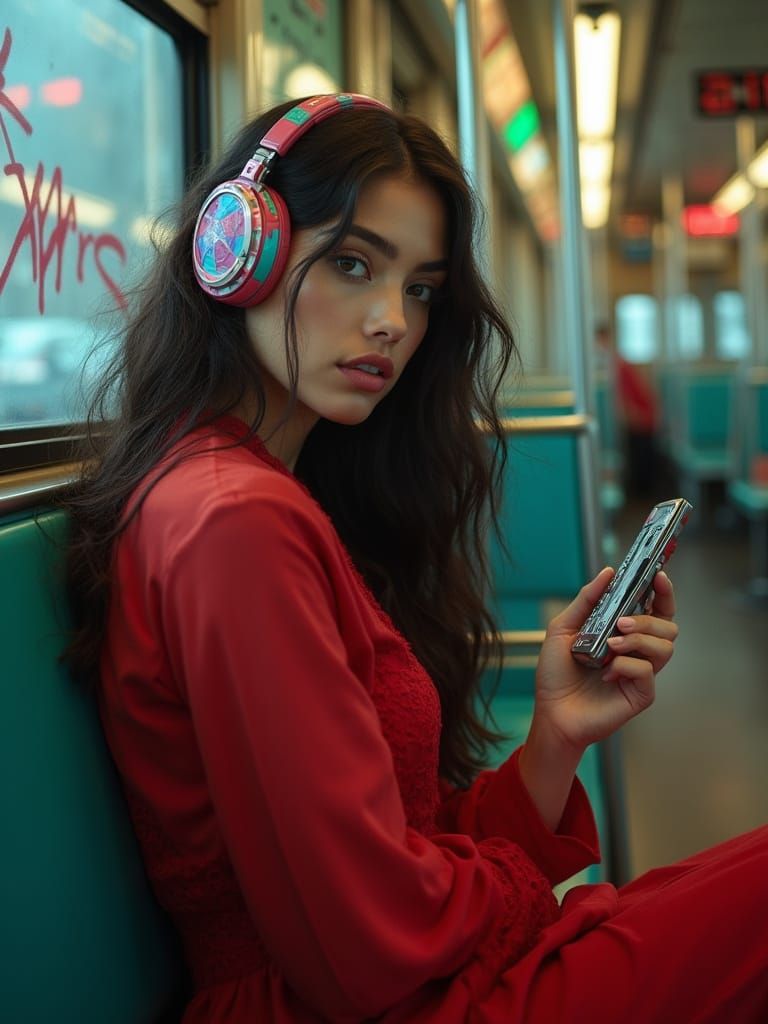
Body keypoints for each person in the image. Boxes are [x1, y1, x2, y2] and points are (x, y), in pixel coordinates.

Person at [61, 94, 768, 1023]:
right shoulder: (234, 521)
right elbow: (368, 947)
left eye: (422, 288)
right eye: (353, 264)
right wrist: (522, 889)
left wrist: (554, 735)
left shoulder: (257, 493)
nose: (392, 319)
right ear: (235, 250)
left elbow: (398, 854)